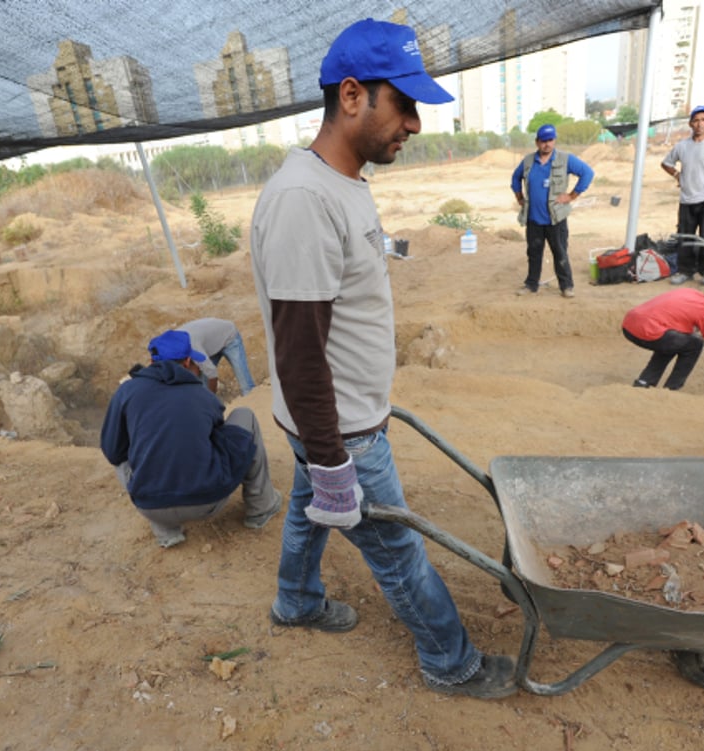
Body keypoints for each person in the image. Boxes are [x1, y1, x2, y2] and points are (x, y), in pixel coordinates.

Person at [249, 18, 516, 700]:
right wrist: (336, 457)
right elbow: (300, 349)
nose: (416, 123)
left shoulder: (340, 183)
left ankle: (296, 599)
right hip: (341, 428)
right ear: (350, 96)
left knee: (309, 508)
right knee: (398, 549)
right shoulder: (305, 199)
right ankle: (450, 661)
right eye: (403, 103)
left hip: (335, 420)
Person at [100, 330, 282, 548]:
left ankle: (166, 532)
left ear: (151, 361)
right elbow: (216, 439)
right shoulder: (203, 395)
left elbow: (112, 451)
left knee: (120, 451)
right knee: (245, 416)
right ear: (187, 361)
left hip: (151, 505)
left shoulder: (126, 391)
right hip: (208, 502)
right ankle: (261, 508)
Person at [510, 124, 594, 298]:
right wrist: (519, 196)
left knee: (560, 252)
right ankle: (531, 285)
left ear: (554, 140)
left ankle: (566, 286)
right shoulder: (528, 161)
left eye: (550, 140)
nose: (546, 144)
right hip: (534, 219)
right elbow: (515, 177)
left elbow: (587, 173)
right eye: (543, 141)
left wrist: (572, 196)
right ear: (537, 142)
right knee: (533, 253)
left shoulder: (566, 159)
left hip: (556, 218)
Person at [661, 105, 704, 286]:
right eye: (696, 120)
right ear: (690, 123)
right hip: (687, 199)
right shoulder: (682, 146)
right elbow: (666, 163)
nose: (700, 124)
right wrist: (677, 175)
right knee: (685, 237)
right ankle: (685, 271)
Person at [177, 317, 257, 395]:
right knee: (204, 386)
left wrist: (211, 400)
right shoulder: (172, 351)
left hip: (229, 336)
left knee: (246, 388)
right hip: (209, 341)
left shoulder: (193, 348)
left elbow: (212, 375)